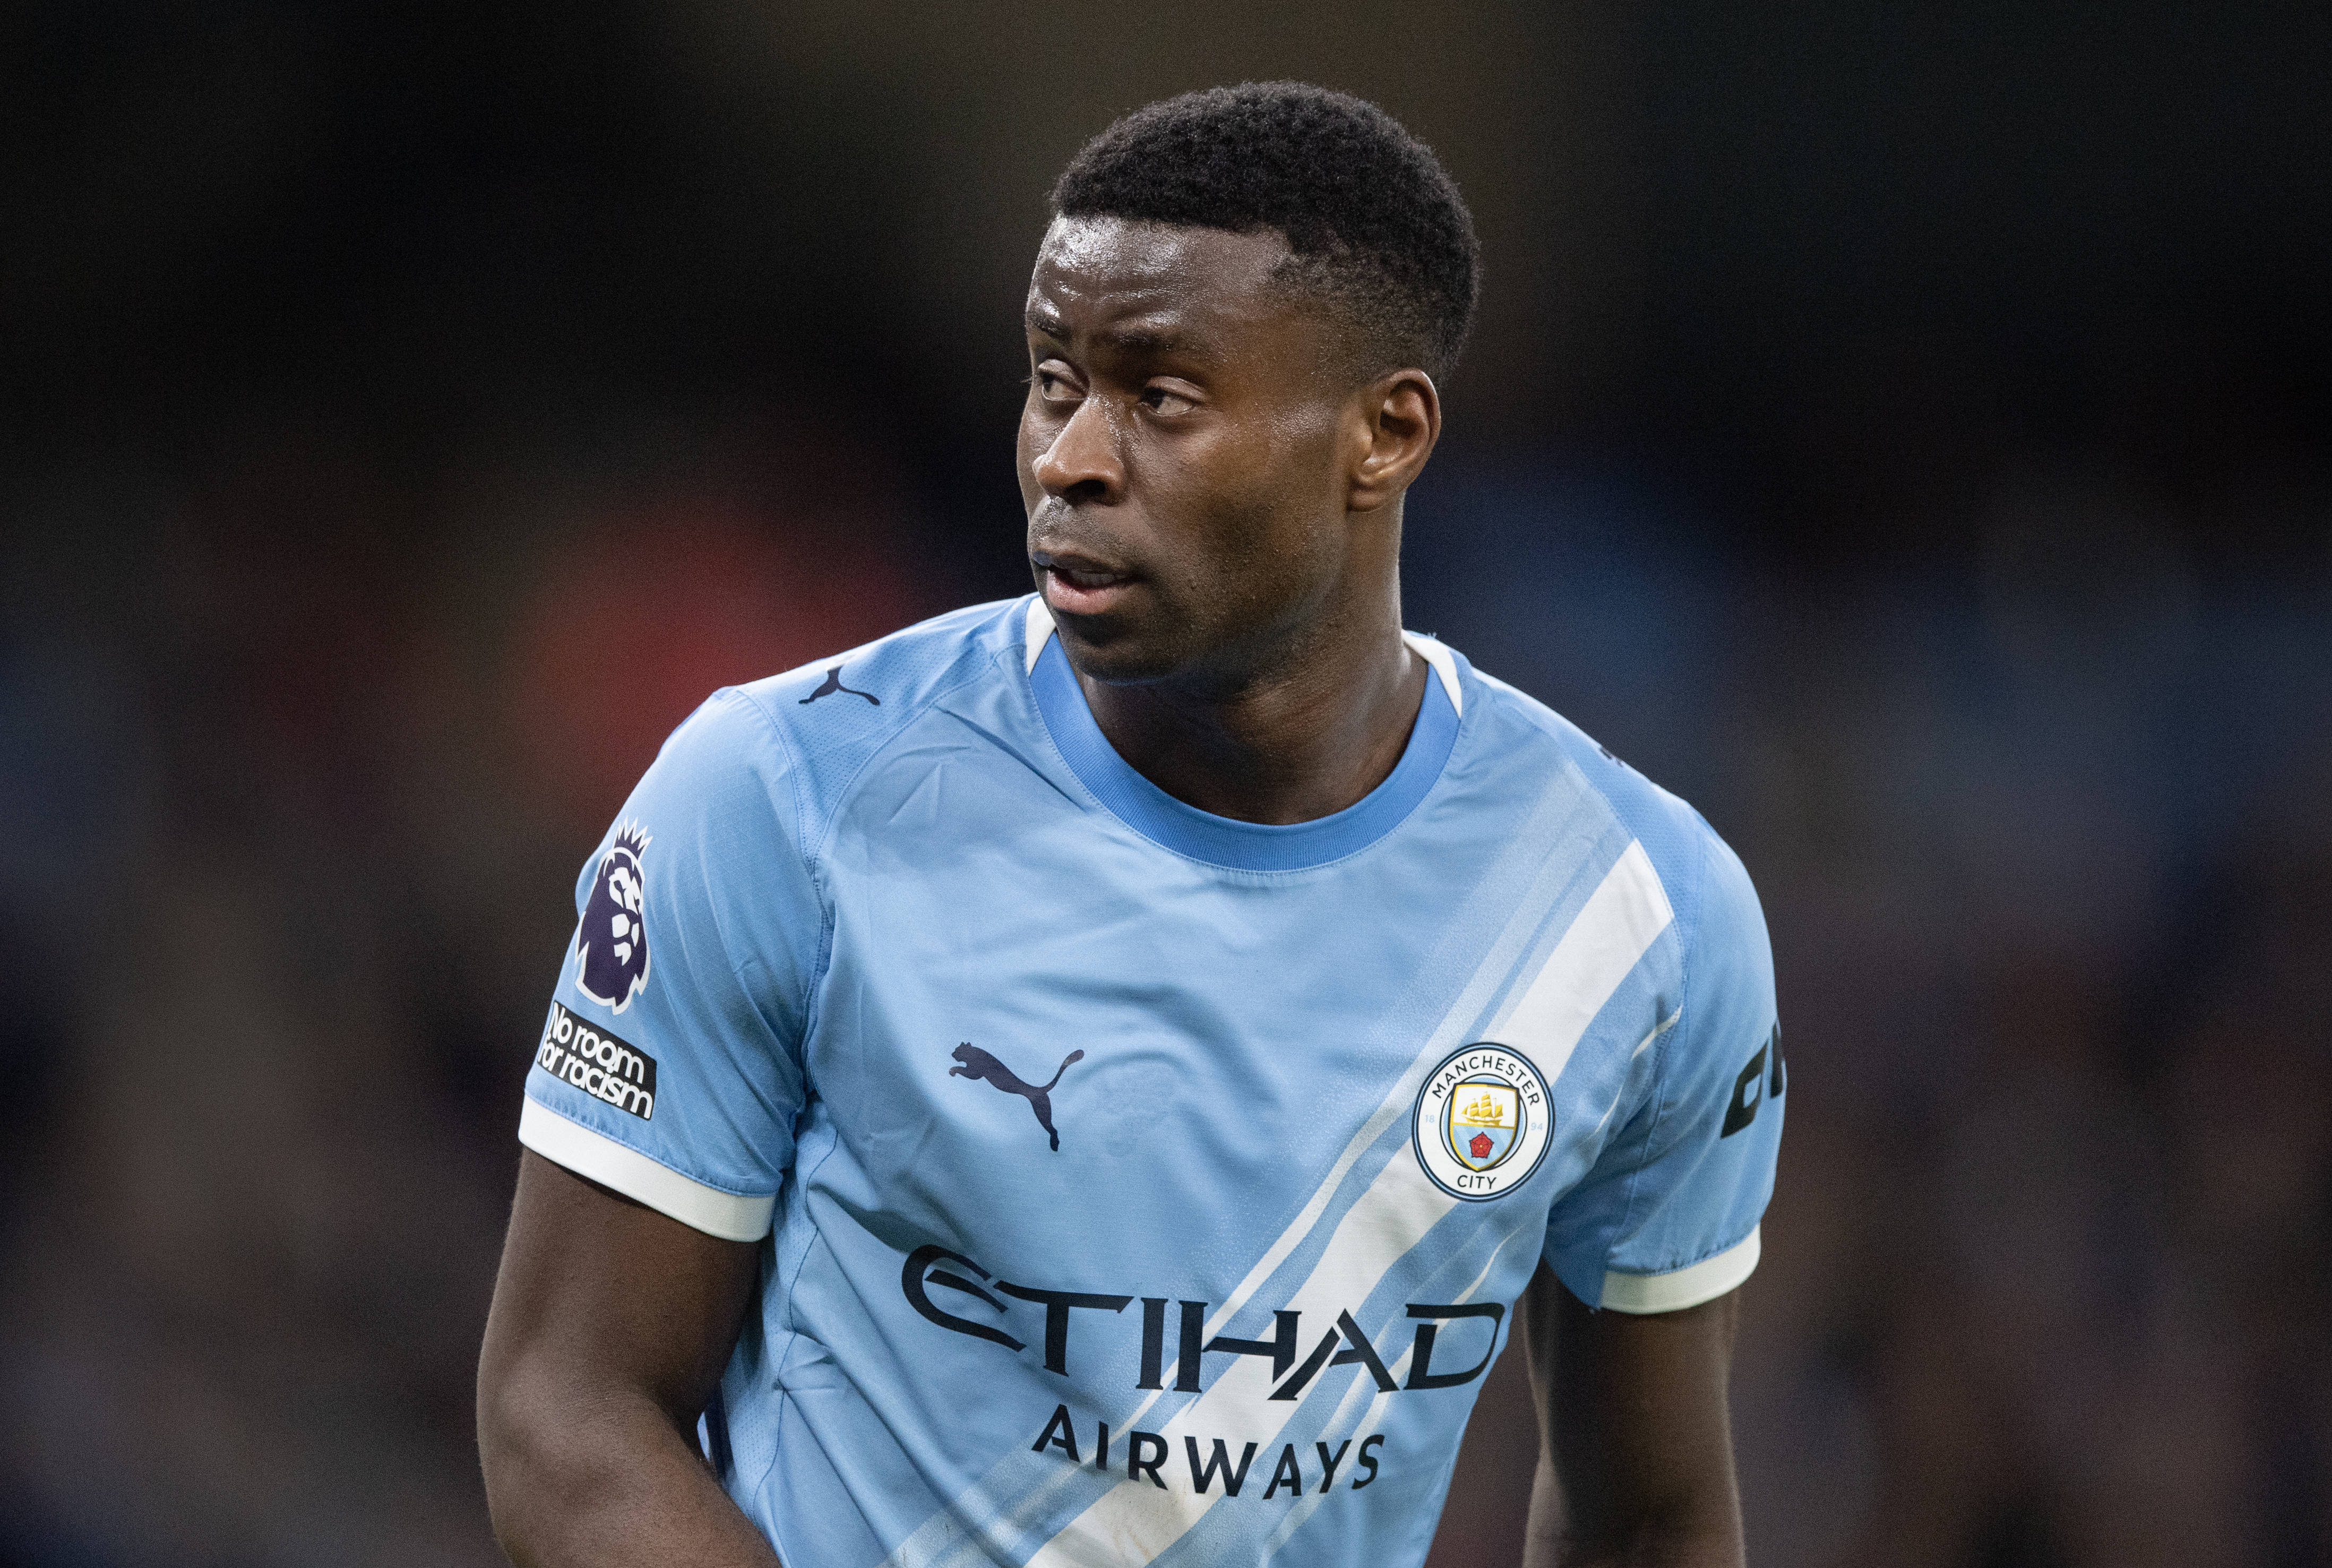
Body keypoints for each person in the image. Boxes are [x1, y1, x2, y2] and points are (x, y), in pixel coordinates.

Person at [477, 82, 1783, 1568]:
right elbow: (568, 1412)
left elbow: (1655, 1514)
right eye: (1052, 379)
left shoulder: (1635, 913)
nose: (1068, 458)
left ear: (1384, 433)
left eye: (1158, 397)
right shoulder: (783, 795)